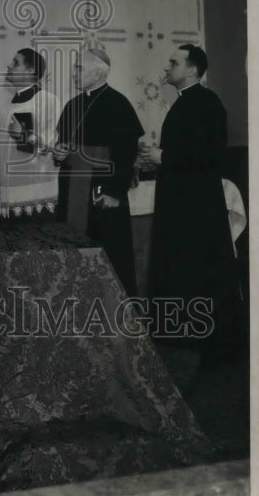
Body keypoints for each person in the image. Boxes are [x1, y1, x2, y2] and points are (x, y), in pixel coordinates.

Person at [141, 45, 240, 364]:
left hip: (197, 209)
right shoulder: (187, 103)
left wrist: (164, 157)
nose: (167, 67)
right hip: (183, 204)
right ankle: (182, 335)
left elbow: (209, 156)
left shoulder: (207, 103)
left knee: (198, 268)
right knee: (183, 265)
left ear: (193, 71)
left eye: (174, 62)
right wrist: (157, 158)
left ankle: (205, 341)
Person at [55, 45, 143, 296]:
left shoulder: (118, 104)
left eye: (79, 68)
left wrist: (115, 192)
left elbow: (126, 154)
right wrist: (59, 153)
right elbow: (63, 146)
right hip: (72, 190)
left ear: (99, 72)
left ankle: (115, 316)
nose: (73, 73)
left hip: (103, 192)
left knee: (108, 254)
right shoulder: (72, 105)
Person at [0, 48, 61, 219]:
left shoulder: (48, 101)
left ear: (30, 71)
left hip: (37, 189)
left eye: (15, 62)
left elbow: (52, 146)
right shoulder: (6, 106)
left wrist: (23, 135)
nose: (9, 65)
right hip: (8, 188)